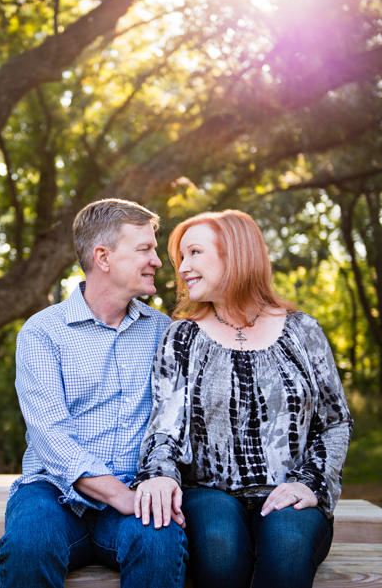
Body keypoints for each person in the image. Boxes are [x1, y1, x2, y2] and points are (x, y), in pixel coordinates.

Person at [133, 210, 353, 588]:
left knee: (287, 544)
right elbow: (164, 426)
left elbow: (335, 422)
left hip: (290, 489)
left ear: (235, 253)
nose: (183, 268)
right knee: (221, 550)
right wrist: (159, 477)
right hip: (209, 493)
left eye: (195, 253)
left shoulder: (304, 331)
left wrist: (310, 482)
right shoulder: (181, 337)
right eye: (181, 257)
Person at [0, 199, 188, 588]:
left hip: (136, 491)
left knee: (159, 544)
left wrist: (150, 489)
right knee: (28, 544)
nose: (157, 260)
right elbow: (49, 435)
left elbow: (174, 422)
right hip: (53, 492)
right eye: (144, 250)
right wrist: (119, 495)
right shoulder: (42, 332)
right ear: (103, 257)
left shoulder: (162, 330)